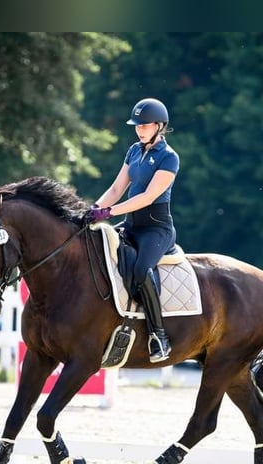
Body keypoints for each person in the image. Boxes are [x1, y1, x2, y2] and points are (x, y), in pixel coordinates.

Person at [84, 97, 179, 363]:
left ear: (160, 126)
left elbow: (148, 196)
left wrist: (109, 212)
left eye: (145, 125)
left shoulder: (169, 158)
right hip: (131, 225)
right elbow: (116, 189)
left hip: (156, 229)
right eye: (137, 125)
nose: (139, 129)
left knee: (140, 269)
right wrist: (94, 210)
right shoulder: (134, 151)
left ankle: (159, 336)